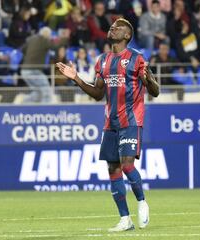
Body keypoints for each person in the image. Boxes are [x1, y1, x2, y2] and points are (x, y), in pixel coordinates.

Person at [56, 18, 159, 232]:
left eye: (118, 27)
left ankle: (141, 202)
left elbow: (155, 91)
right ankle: (125, 219)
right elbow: (97, 93)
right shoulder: (102, 60)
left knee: (127, 165)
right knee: (113, 168)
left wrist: (149, 79)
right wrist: (76, 78)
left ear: (127, 36)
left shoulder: (137, 58)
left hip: (131, 120)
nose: (113, 28)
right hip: (110, 123)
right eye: (112, 26)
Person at [21, 27, 69, 103]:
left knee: (37, 93)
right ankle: (45, 109)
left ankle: (24, 105)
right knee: (46, 91)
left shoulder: (31, 39)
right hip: (34, 71)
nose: (50, 37)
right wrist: (65, 38)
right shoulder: (44, 40)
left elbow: (23, 49)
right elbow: (55, 46)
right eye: (49, 36)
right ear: (47, 35)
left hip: (24, 71)